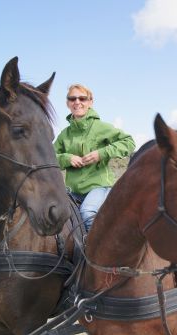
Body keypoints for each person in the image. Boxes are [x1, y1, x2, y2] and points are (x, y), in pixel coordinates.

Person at [54, 84, 135, 232]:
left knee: (87, 213)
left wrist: (101, 153)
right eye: (72, 98)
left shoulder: (101, 127)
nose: (77, 102)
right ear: (67, 103)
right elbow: (49, 158)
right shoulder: (64, 135)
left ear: (90, 102)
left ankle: (97, 253)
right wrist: (67, 158)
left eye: (82, 98)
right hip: (73, 192)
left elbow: (129, 143)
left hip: (100, 187)